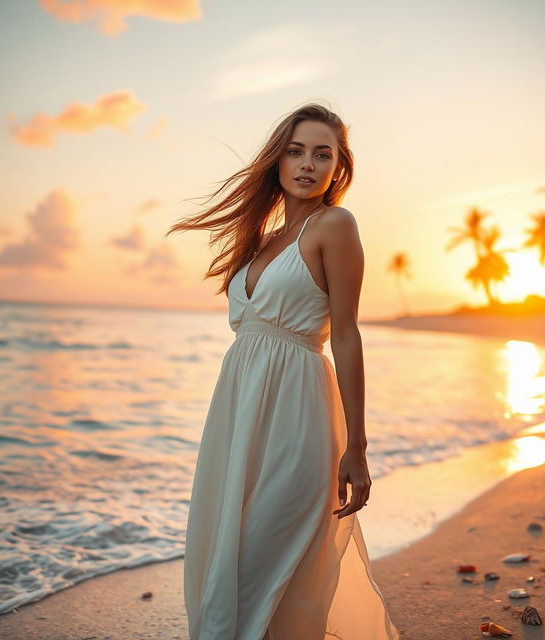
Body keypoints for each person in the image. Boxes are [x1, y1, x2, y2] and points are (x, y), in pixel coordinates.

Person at [168, 103, 399, 639]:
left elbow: (345, 334)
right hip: (238, 420)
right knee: (227, 556)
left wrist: (357, 448)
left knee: (263, 563)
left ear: (339, 168)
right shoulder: (262, 240)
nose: (307, 164)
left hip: (298, 419)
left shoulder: (335, 225)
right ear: (276, 160)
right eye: (295, 151)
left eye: (323, 154)